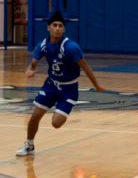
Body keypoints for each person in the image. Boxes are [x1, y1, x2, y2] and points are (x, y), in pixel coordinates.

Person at [16, 10, 105, 156]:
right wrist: (31, 69)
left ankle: (61, 108)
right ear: (48, 28)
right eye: (54, 25)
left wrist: (96, 85)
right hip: (51, 85)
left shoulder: (71, 47)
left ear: (64, 29)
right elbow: (33, 63)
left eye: (60, 26)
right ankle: (29, 144)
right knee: (34, 116)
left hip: (69, 88)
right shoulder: (43, 45)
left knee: (56, 123)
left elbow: (86, 67)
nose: (57, 28)